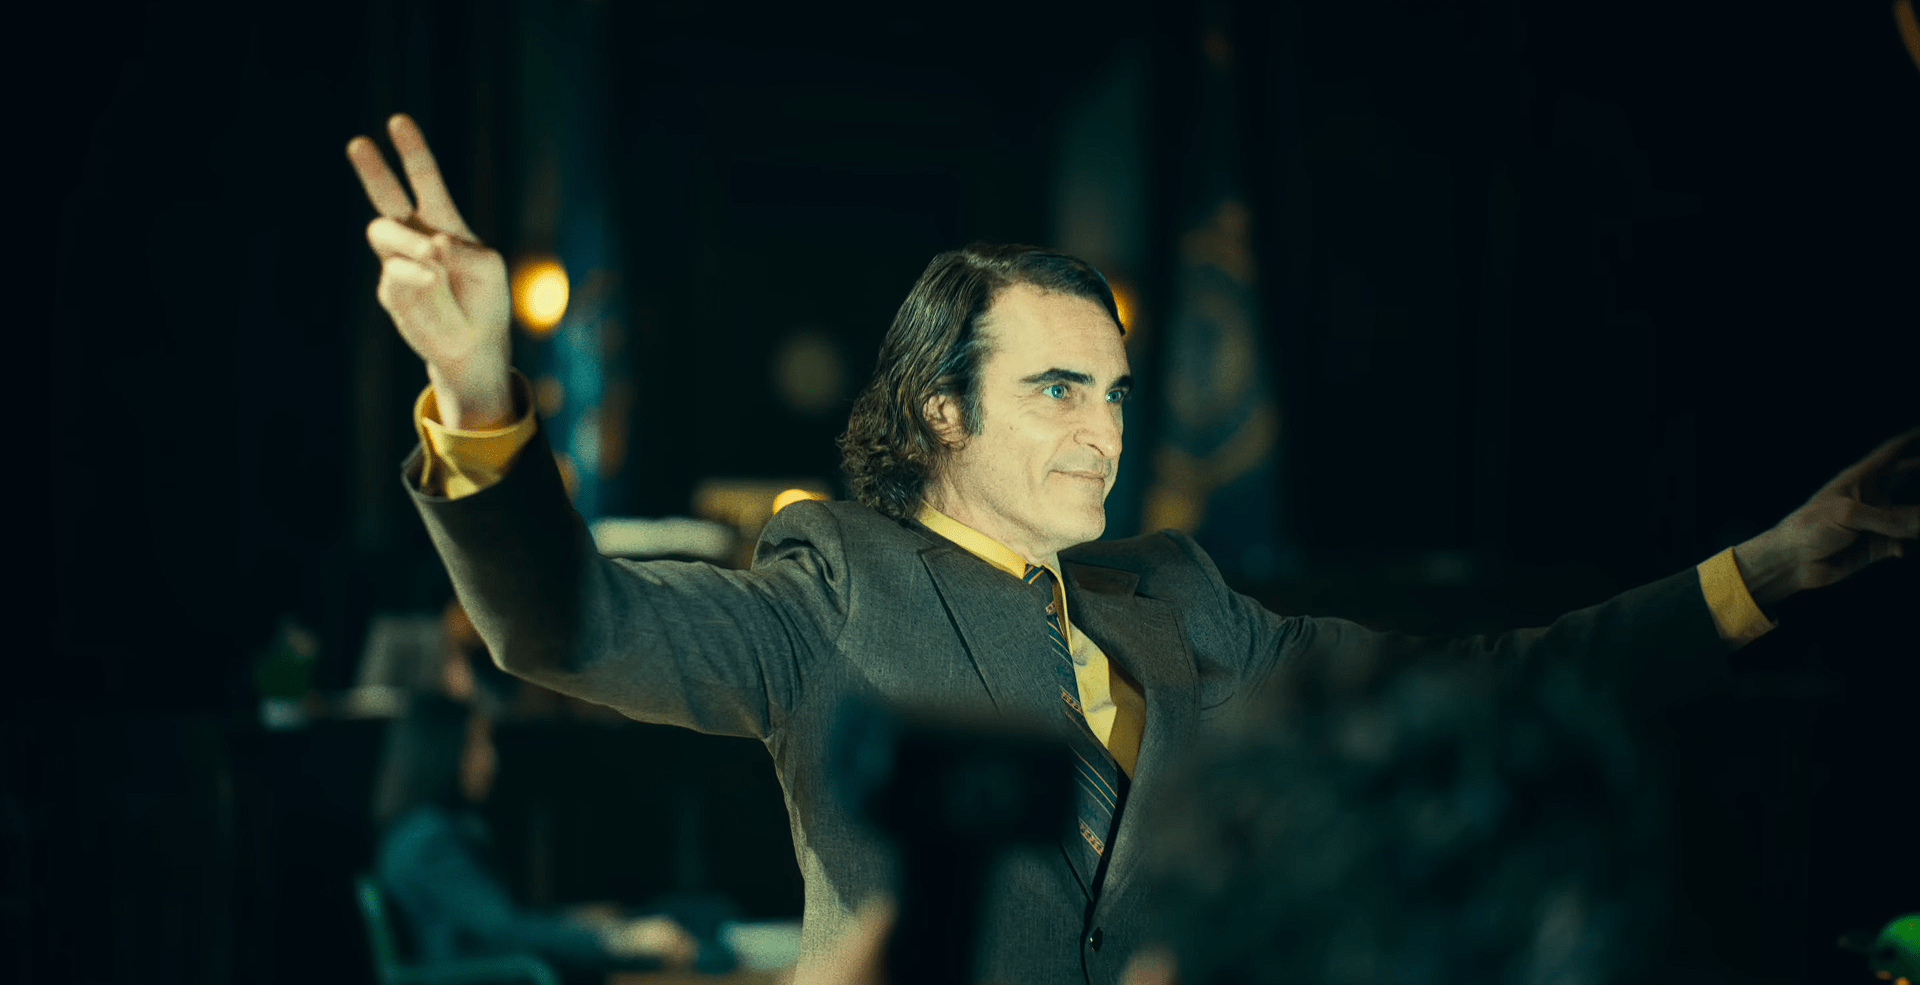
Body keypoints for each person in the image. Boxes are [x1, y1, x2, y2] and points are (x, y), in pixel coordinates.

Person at [345, 112, 1918, 985]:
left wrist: (1776, 565)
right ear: (940, 410)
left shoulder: (1185, 603)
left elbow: (1489, 684)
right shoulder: (826, 591)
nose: (1102, 429)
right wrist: (478, 391)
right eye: (1055, 389)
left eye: (1111, 392)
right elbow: (571, 625)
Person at [371, 692, 701, 981]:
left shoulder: (417, 832)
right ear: (442, 748)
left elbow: (496, 924)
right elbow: (506, 932)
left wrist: (581, 923)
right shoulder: (430, 840)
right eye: (478, 744)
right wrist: (618, 940)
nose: (491, 760)